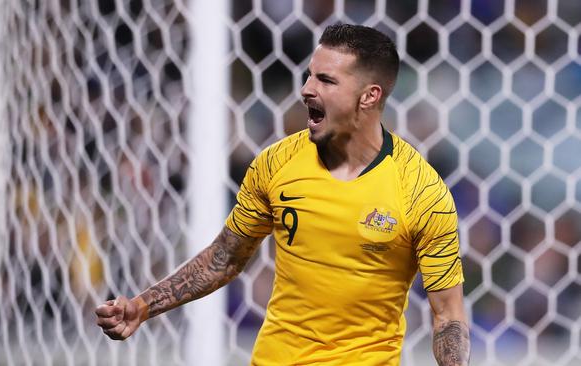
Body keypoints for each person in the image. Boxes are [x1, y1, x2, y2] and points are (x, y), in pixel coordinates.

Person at [95, 24, 470, 365]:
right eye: (310, 75)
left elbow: (448, 316)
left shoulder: (421, 191)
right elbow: (225, 259)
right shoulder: (277, 163)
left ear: (369, 96)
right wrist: (143, 305)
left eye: (326, 80)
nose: (307, 88)